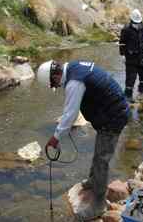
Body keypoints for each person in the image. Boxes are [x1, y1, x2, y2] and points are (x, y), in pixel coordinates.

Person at [38, 60, 130, 220]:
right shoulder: (74, 68)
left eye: (55, 83)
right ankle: (94, 181)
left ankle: (98, 205)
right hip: (111, 111)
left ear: (55, 75)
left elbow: (70, 114)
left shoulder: (74, 82)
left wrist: (56, 137)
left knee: (102, 160)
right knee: (100, 150)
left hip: (114, 116)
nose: (57, 86)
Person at [119, 9, 143, 103]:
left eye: (139, 22)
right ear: (131, 20)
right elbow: (122, 43)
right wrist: (122, 55)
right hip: (130, 57)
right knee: (131, 77)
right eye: (135, 22)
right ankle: (128, 95)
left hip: (140, 56)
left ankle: (141, 88)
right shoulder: (126, 29)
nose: (137, 23)